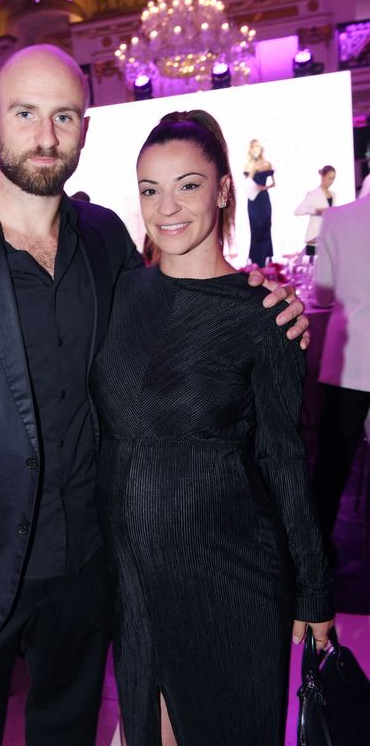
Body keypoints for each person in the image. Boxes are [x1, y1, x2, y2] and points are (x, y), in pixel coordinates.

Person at [0, 46, 308, 746]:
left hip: (87, 566)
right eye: (26, 114)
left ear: (84, 130)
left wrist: (259, 299)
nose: (46, 134)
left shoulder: (105, 237)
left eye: (63, 115)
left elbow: (173, 304)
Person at [91, 110, 332, 746]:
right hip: (137, 570)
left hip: (231, 578)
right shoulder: (115, 295)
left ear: (224, 189)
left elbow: (283, 460)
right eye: (150, 189)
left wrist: (313, 590)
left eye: (188, 184)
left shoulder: (264, 318)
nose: (166, 207)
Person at [311, 193, 370, 556]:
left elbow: (323, 293)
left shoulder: (337, 218)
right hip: (348, 359)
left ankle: (317, 553)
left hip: (350, 357)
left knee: (332, 464)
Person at [243, 138, 274, 266]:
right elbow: (247, 183)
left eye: (258, 147)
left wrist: (264, 188)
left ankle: (267, 256)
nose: (256, 149)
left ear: (261, 149)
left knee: (266, 226)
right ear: (250, 149)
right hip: (252, 200)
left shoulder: (267, 164)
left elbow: (274, 183)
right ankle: (255, 258)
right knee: (255, 227)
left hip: (264, 199)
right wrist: (253, 170)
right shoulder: (248, 165)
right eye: (253, 147)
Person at [294, 165, 336, 255]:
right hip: (314, 239)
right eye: (329, 178)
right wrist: (316, 211)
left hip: (327, 240)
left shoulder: (333, 195)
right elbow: (298, 211)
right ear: (322, 176)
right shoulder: (313, 194)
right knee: (312, 267)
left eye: (333, 179)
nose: (331, 182)